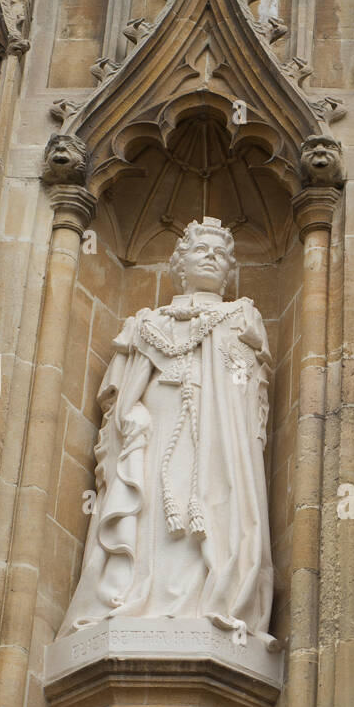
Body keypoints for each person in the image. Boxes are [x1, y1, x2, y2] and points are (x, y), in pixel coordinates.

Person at [58, 217, 274, 643]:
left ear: (230, 269)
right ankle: (133, 598)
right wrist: (131, 415)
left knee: (214, 506)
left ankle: (210, 601)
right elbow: (121, 391)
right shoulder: (148, 322)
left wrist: (219, 405)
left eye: (220, 253)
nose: (211, 257)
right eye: (201, 250)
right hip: (157, 429)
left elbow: (249, 390)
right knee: (153, 508)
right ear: (180, 264)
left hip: (217, 435)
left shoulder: (242, 317)